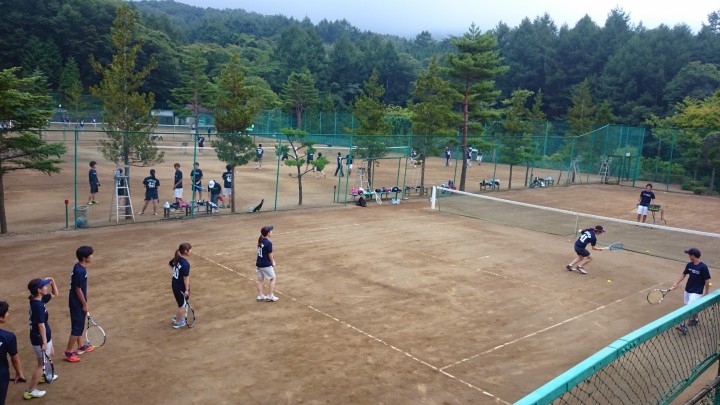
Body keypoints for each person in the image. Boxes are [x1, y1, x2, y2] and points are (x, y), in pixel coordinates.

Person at [26, 278, 59, 399]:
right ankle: (30, 390)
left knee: (51, 354)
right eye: (44, 286)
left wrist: (52, 282)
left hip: (44, 336)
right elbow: (41, 325)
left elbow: (55, 294)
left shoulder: (38, 299)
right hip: (40, 338)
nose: (46, 287)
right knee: (42, 364)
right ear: (39, 290)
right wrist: (44, 342)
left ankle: (44, 375)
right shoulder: (38, 305)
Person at [63, 246, 95, 363]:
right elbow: (77, 289)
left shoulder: (78, 267)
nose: (92, 256)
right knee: (77, 328)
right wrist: (84, 304)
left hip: (76, 301)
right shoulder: (80, 271)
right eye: (90, 254)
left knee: (79, 325)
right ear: (84, 258)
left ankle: (80, 346)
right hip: (77, 303)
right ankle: (68, 352)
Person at [671, 248, 711, 335]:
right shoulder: (689, 265)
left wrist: (706, 293)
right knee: (690, 306)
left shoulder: (703, 267)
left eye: (689, 254)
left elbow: (707, 281)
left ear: (693, 256)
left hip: (697, 292)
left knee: (688, 308)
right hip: (688, 289)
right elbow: (684, 274)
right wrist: (676, 283)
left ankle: (683, 326)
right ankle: (695, 319)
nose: (688, 256)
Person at [0, 301, 25, 405]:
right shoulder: (8, 337)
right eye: (6, 312)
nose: (8, 314)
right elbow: (14, 358)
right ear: (0, 318)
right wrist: (19, 373)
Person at [169, 243, 192, 329]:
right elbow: (186, 278)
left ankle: (177, 316)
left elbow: (170, 264)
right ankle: (177, 322)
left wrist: (177, 271)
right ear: (186, 251)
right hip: (180, 287)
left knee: (180, 302)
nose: (191, 251)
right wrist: (186, 290)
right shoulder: (186, 264)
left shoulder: (177, 258)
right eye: (190, 249)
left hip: (175, 284)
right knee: (182, 305)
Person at [256, 226, 278, 302]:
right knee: (273, 278)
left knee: (260, 279)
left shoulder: (261, 240)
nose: (271, 232)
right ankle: (270, 296)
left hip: (259, 263)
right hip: (265, 264)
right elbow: (270, 255)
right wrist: (273, 262)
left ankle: (260, 295)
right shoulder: (268, 243)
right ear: (268, 233)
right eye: (270, 231)